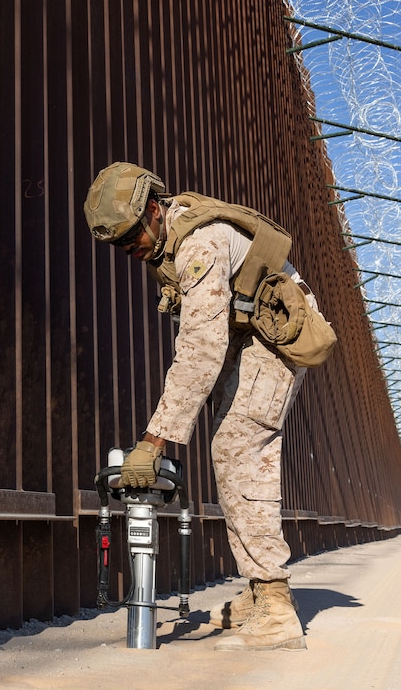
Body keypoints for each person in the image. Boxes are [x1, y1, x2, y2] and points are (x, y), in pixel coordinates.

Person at [83, 162, 328, 652]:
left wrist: (153, 441)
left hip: (274, 336)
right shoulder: (170, 238)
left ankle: (276, 607)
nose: (130, 250)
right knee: (227, 450)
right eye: (119, 245)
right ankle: (260, 592)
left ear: (153, 209)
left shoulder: (199, 245)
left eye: (133, 236)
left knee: (240, 449)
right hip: (247, 337)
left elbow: (200, 347)